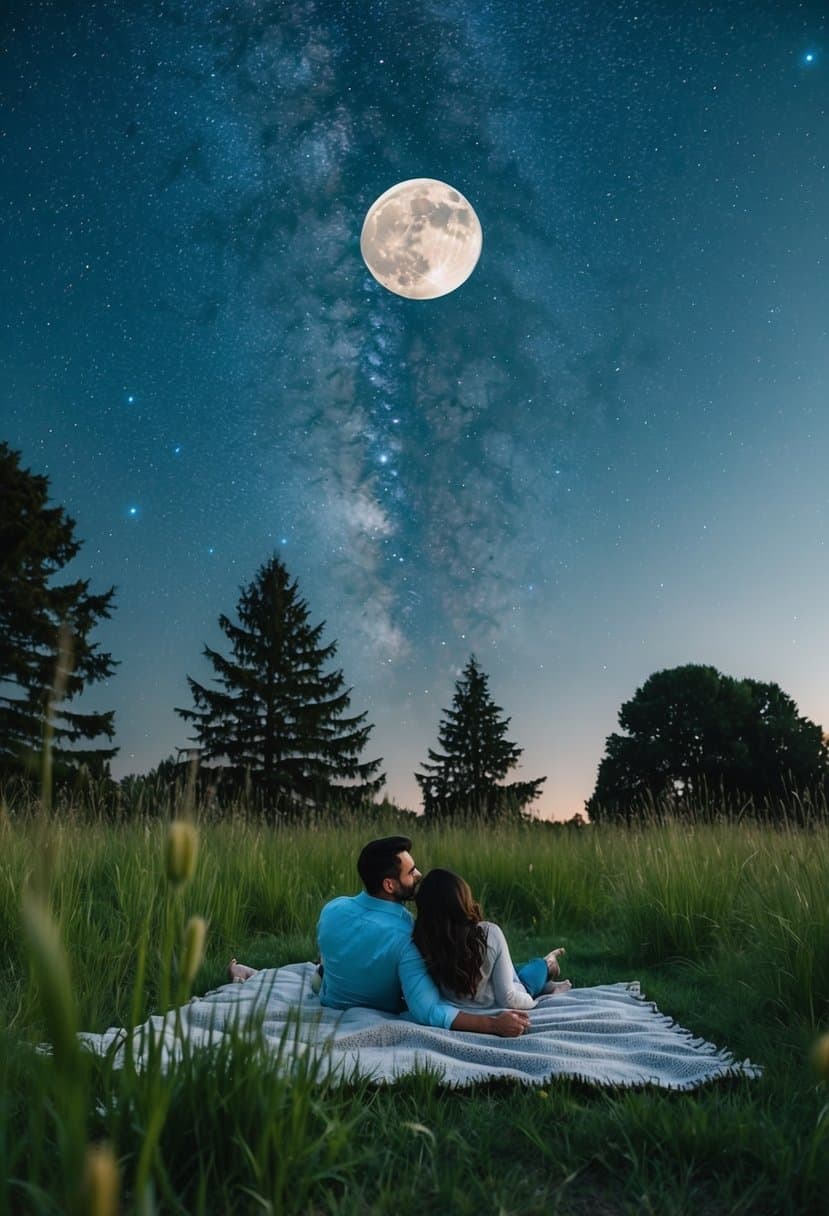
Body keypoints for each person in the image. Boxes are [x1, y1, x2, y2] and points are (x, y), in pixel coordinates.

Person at [229, 835, 530, 1037]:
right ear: (389, 885)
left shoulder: (331, 911)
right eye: (411, 872)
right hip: (377, 1008)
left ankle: (254, 974)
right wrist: (492, 1025)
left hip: (329, 1000)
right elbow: (428, 1010)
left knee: (319, 966)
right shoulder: (407, 938)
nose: (418, 875)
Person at [412, 868, 571, 1011]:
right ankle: (549, 965)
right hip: (510, 991)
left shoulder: (422, 939)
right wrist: (534, 1000)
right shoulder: (488, 933)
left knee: (514, 968)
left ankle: (545, 972)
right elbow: (508, 998)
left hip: (482, 989)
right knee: (535, 968)